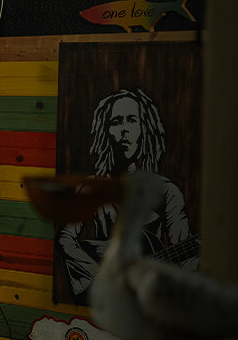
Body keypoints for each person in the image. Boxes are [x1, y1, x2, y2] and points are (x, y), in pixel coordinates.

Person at [58, 88, 197, 299]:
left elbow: (184, 253)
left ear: (144, 129)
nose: (125, 129)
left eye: (132, 120)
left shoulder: (167, 192)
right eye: (116, 122)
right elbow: (64, 239)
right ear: (106, 131)